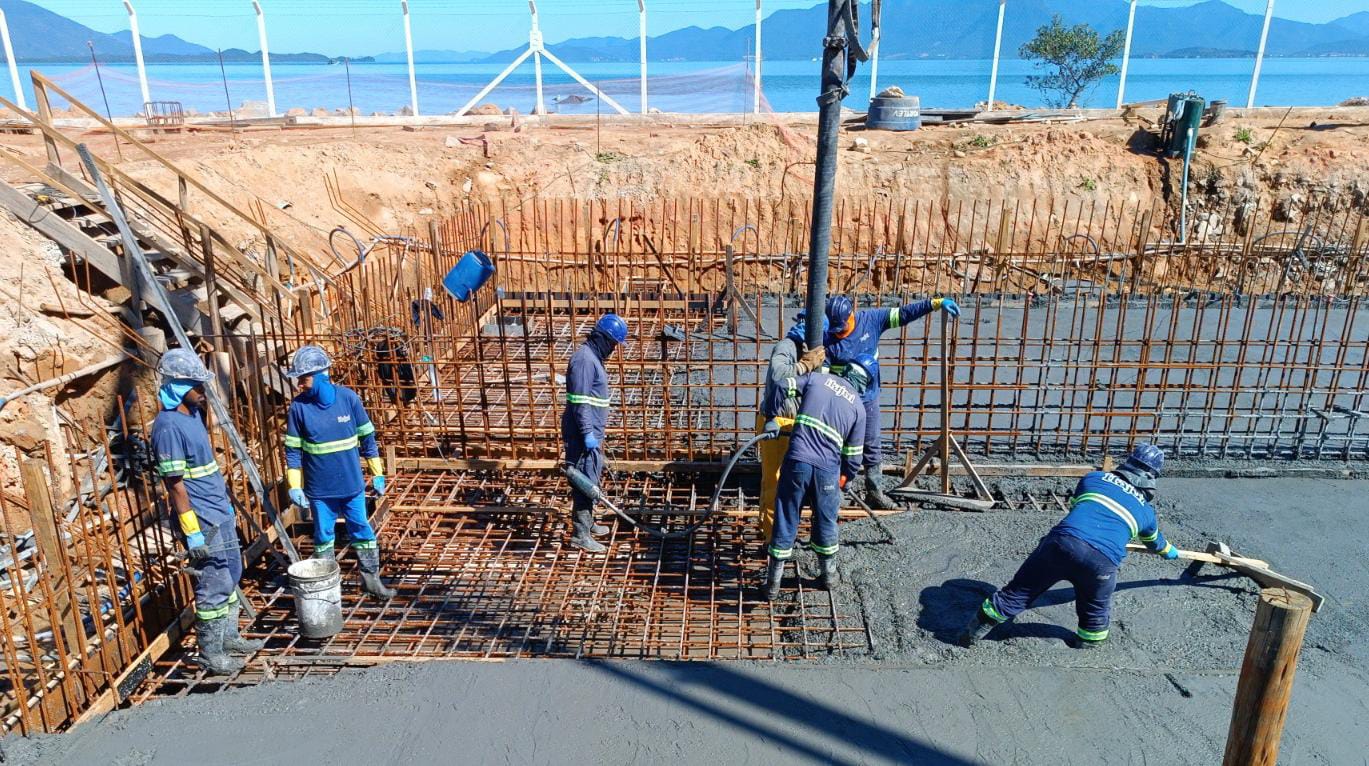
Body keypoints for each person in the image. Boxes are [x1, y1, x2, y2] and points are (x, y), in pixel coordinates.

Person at [958, 444, 1179, 649]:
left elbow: (1077, 509)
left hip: (1062, 544)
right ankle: (1088, 646)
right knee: (1095, 610)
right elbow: (1154, 542)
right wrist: (1169, 551)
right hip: (1101, 563)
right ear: (1151, 479)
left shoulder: (1094, 479)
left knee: (1016, 593)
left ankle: (970, 634)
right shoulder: (1146, 513)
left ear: (1127, 464)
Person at [150, 348, 262, 675]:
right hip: (201, 518)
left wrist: (226, 504)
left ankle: (229, 637)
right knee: (213, 578)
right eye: (196, 386)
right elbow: (175, 487)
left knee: (231, 571)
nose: (203, 392)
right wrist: (192, 531)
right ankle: (211, 653)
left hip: (219, 509)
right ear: (176, 386)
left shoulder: (194, 414)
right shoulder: (168, 427)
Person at [823, 294, 960, 509]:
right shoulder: (828, 338)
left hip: (868, 398)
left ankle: (874, 491)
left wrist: (933, 304)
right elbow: (821, 377)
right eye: (836, 328)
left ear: (851, 315)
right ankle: (838, 490)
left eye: (842, 327)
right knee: (838, 444)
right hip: (841, 401)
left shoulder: (872, 320)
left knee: (871, 444)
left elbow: (903, 314)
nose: (839, 332)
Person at [283, 345, 397, 600]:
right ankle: (328, 591)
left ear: (321, 375)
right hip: (320, 492)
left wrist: (377, 473)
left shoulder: (348, 399)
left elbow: (368, 438)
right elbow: (292, 452)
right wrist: (295, 485)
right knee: (323, 536)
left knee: (362, 531)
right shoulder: (298, 408)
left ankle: (371, 581)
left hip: (351, 487)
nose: (300, 383)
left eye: (304, 377)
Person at [763, 353, 874, 599]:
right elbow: (854, 456)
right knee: (826, 520)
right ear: (864, 383)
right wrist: (844, 479)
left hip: (797, 462)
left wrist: (771, 417)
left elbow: (783, 385)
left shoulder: (817, 380)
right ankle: (829, 577)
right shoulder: (858, 408)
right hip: (827, 471)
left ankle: (772, 586)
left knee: (786, 515)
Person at [756, 310, 829, 542]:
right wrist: (804, 366)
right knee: (775, 484)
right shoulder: (786, 346)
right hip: (777, 421)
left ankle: (787, 535)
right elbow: (778, 376)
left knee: (798, 484)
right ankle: (771, 539)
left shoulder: (821, 351)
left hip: (802, 424)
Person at [562, 313, 629, 553]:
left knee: (591, 477)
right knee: (584, 482)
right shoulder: (584, 360)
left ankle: (589, 524)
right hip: (582, 436)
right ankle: (580, 534)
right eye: (612, 343)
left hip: (591, 434)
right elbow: (579, 402)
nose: (612, 349)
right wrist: (588, 433)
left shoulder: (593, 358)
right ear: (601, 337)